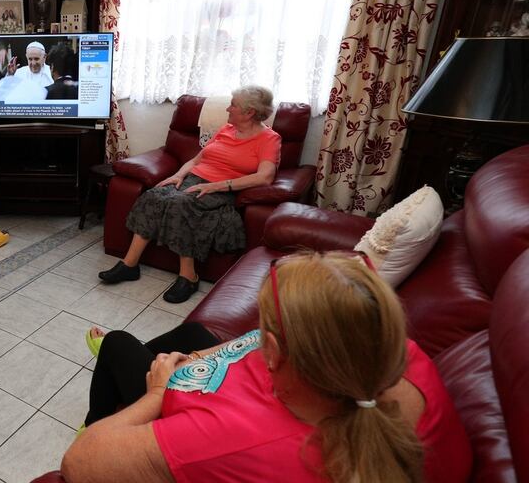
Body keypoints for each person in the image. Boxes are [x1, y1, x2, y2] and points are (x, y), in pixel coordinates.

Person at [64, 252, 473, 483]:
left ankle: (103, 415)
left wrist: (158, 392)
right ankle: (135, 370)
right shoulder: (393, 354)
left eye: (263, 330)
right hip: (234, 390)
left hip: (178, 409)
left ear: (274, 352)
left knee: (117, 345)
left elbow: (78, 464)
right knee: (194, 335)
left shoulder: (232, 443)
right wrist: (207, 359)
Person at [98, 85, 280, 303]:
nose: (228, 109)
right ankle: (129, 265)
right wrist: (178, 176)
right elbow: (196, 160)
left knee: (181, 203)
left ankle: (189, 276)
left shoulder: (269, 139)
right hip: (195, 178)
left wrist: (218, 186)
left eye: (233, 105)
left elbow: (265, 177)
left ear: (249, 112)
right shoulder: (226, 130)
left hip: (224, 187)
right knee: (154, 195)